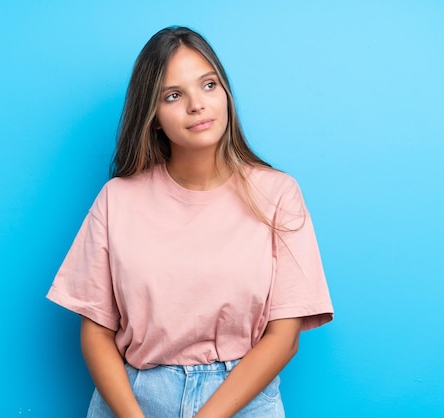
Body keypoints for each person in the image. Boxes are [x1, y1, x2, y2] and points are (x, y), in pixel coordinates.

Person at [47, 26, 333, 417]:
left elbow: (284, 337)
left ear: (226, 93)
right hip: (132, 399)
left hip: (243, 401)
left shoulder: (279, 194)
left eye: (209, 85)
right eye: (174, 95)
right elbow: (95, 331)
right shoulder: (117, 199)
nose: (197, 104)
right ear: (153, 116)